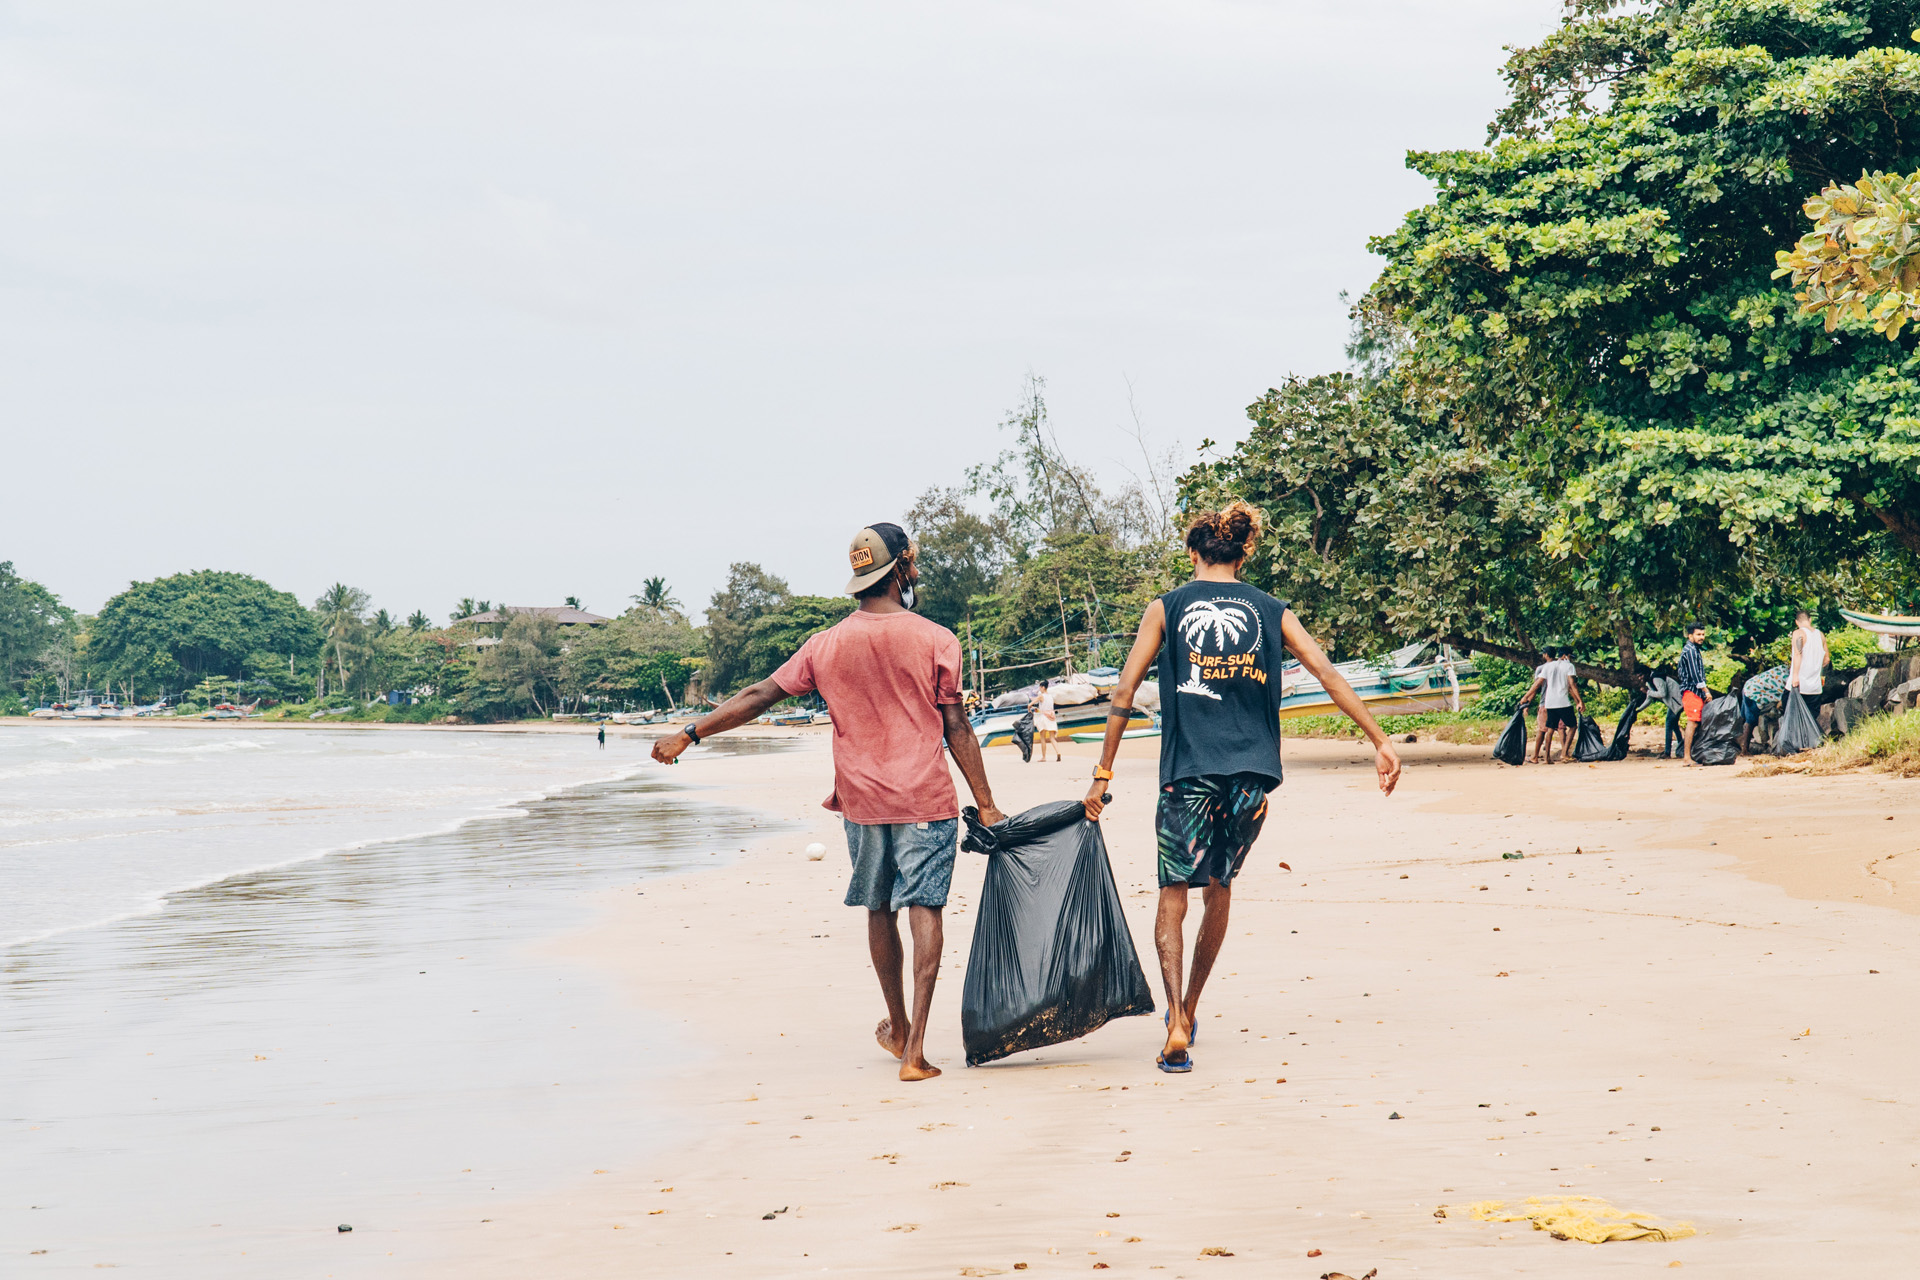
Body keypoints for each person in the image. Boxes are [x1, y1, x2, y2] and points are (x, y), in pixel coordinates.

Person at [651, 523, 1005, 1082]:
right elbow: (956, 724)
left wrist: (689, 734)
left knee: (879, 908)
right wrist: (986, 805)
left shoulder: (825, 645)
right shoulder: (938, 639)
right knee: (925, 908)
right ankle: (914, 1051)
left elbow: (759, 695)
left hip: (862, 802)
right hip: (924, 797)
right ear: (905, 568)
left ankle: (897, 1023)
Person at [1081, 501, 1402, 1074]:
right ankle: (1193, 1008)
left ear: (1193, 552)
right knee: (1219, 888)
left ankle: (1177, 1018)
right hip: (1252, 778)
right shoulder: (1271, 610)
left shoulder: (1167, 607)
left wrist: (1103, 772)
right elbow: (1326, 672)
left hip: (1187, 773)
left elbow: (1124, 693)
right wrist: (1379, 739)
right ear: (1244, 550)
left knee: (1174, 893)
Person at [1521, 646, 1585, 764]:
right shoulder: (1569, 666)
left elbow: (1537, 684)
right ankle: (1564, 754)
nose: (1571, 659)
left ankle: (1547, 758)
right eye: (1570, 656)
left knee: (1550, 729)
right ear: (1565, 656)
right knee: (1572, 726)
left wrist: (1525, 696)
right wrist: (1580, 701)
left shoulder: (1548, 666)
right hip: (1563, 702)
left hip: (1549, 702)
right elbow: (1572, 684)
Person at [1676, 622, 1710, 765]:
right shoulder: (1690, 651)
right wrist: (1705, 690)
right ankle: (1686, 757)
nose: (1701, 637)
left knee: (1696, 722)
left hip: (1694, 691)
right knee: (1692, 722)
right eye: (1698, 634)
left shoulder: (1694, 649)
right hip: (1692, 691)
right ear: (1690, 636)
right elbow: (1695, 675)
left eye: (1702, 634)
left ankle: (1690, 755)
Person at [1787, 610, 1828, 704]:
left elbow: (1798, 654)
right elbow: (1826, 659)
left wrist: (1795, 677)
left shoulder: (1798, 633)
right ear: (1810, 620)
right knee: (1811, 717)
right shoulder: (1820, 635)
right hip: (1815, 688)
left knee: (1789, 715)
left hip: (1799, 685)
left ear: (1796, 622)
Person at [1027, 678, 1061, 762]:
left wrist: (1029, 709)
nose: (1039, 689)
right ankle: (1058, 752)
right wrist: (1037, 709)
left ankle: (1044, 757)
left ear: (1043, 687)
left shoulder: (1041, 696)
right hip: (1051, 717)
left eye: (1040, 687)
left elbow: (1029, 704)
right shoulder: (1050, 697)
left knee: (1043, 738)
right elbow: (1046, 708)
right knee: (1052, 738)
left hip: (1044, 718)